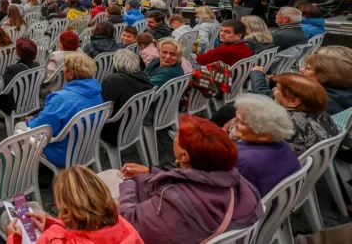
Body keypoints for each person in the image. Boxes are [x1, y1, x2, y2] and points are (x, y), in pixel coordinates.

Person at [119, 114, 262, 244]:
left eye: (178, 135)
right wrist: (151, 171)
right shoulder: (240, 184)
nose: (175, 136)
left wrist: (128, 182)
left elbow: (130, 221)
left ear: (185, 155)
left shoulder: (174, 199)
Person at [5, 165, 143, 244]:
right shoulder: (125, 225)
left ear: (64, 207)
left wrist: (13, 239)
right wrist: (53, 224)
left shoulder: (54, 240)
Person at [24, 54, 103, 167]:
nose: (63, 70)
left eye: (64, 68)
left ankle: (29, 175)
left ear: (71, 74)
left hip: (62, 153)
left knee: (20, 129)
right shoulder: (97, 93)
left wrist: (30, 121)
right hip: (86, 148)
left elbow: (41, 128)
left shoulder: (61, 98)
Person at [250, 73, 341, 156]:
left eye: (277, 88)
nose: (273, 90)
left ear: (293, 102)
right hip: (313, 167)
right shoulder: (323, 114)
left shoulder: (282, 123)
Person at [229, 94, 301, 197]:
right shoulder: (283, 145)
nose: (234, 122)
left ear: (264, 135)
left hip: (255, 209)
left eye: (241, 122)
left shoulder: (243, 160)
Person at [101, 49, 154, 145]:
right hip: (134, 127)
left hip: (114, 132)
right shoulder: (144, 77)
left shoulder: (114, 80)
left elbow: (104, 109)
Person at [0, 38, 40, 115]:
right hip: (30, 101)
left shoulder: (12, 69)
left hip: (14, 105)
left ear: (18, 53)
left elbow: (1, 88)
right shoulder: (37, 66)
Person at [308, 48, 352, 114]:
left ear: (324, 74)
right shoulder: (346, 93)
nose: (301, 70)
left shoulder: (314, 99)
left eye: (307, 68)